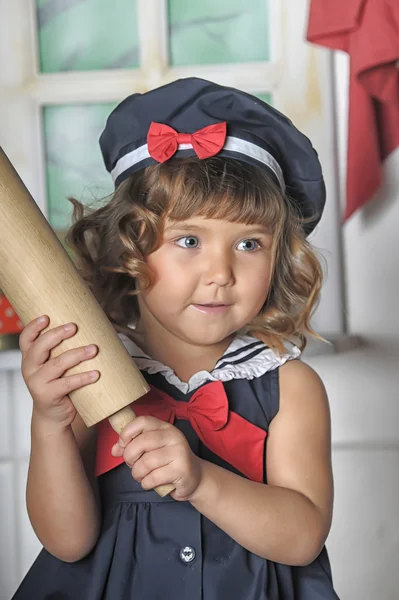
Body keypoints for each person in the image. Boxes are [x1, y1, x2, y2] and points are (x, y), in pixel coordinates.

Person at [12, 77, 340, 599]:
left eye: (250, 244)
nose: (221, 272)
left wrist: (203, 483)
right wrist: (51, 423)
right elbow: (67, 542)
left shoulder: (290, 387)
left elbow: (301, 538)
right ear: (129, 249)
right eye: (189, 240)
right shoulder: (87, 368)